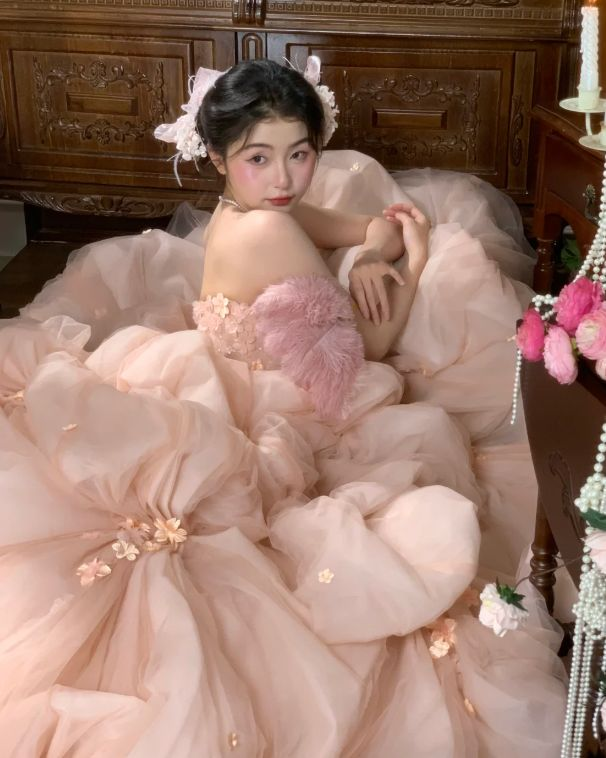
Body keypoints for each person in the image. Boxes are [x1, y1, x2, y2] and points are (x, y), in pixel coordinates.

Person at [0, 58, 567, 756]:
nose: (284, 178)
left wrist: (372, 254)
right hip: (273, 404)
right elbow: (367, 352)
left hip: (227, 375)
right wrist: (413, 264)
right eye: (259, 158)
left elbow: (372, 225)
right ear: (217, 157)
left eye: (300, 155)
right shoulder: (270, 230)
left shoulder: (256, 208)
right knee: (425, 447)